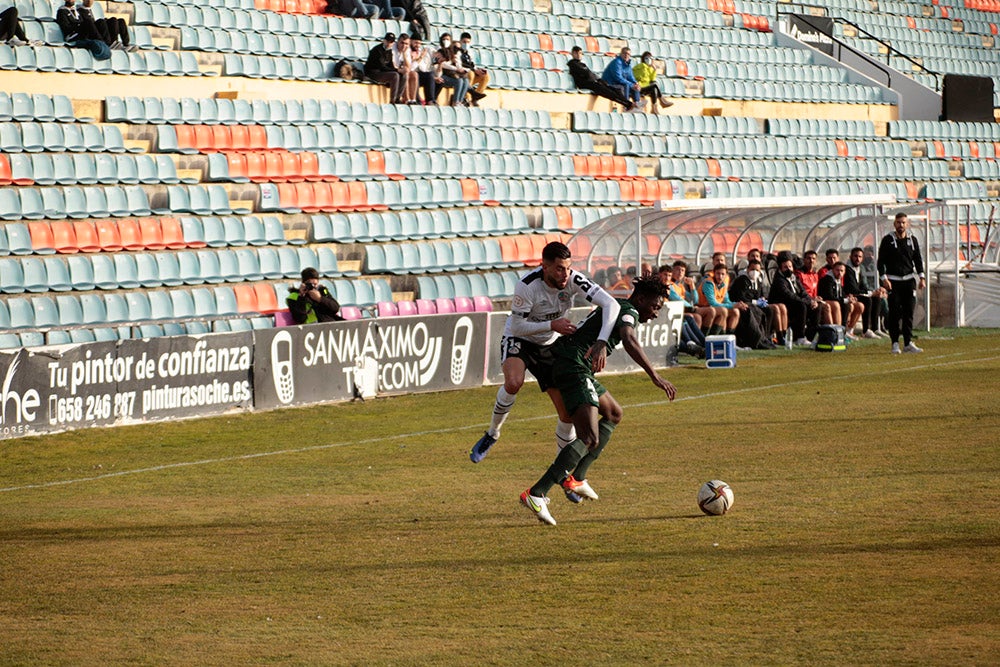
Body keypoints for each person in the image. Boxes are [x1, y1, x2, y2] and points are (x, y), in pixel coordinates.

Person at [520, 276, 677, 526]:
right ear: (642, 299)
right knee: (589, 437)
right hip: (573, 365)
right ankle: (537, 493)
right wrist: (655, 376)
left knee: (614, 413)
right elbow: (629, 338)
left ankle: (577, 478)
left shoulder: (618, 306)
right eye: (656, 306)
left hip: (573, 363)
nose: (656, 313)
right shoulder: (629, 311)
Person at [470, 242, 620, 471]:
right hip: (521, 339)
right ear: (545, 267)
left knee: (566, 413)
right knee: (513, 382)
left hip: (549, 344)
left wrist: (601, 342)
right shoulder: (527, 285)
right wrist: (552, 323)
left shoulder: (573, 280)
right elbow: (518, 326)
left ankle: (562, 470)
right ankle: (492, 433)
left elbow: (611, 304)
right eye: (560, 268)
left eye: (568, 268)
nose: (565, 274)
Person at [877, 212, 925, 354]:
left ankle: (908, 343)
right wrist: (884, 278)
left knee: (909, 312)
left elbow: (917, 260)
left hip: (909, 281)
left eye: (903, 222)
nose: (901, 225)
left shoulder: (912, 239)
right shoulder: (888, 240)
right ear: (894, 224)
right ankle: (895, 343)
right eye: (898, 222)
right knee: (895, 313)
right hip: (893, 282)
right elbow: (881, 261)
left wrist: (922, 277)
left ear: (907, 223)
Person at [768, 253, 822, 345]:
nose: (788, 269)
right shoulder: (779, 280)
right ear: (780, 268)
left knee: (817, 307)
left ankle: (809, 337)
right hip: (786, 304)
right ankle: (799, 337)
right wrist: (806, 302)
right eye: (785, 267)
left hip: (796, 303)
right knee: (802, 306)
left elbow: (803, 292)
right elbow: (789, 296)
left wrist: (811, 301)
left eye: (790, 266)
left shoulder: (794, 278)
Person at [730, 258, 782, 348]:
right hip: (741, 303)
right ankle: (756, 338)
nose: (754, 272)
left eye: (757, 270)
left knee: (769, 310)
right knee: (755, 311)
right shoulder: (742, 280)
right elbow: (741, 297)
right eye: (752, 269)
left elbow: (760, 295)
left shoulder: (758, 281)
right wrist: (756, 302)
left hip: (753, 303)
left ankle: (766, 336)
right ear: (748, 269)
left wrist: (762, 299)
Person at [566, 46, 634, 111]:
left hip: (591, 82)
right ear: (572, 54)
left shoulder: (582, 64)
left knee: (613, 89)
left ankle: (628, 103)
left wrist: (599, 80)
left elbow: (590, 73)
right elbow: (587, 74)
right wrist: (595, 79)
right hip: (585, 84)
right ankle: (627, 104)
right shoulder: (572, 64)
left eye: (580, 53)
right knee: (607, 92)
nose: (578, 55)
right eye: (576, 53)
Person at [844, 246, 885, 339]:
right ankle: (865, 330)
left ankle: (875, 328)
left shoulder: (860, 268)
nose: (857, 259)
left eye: (860, 257)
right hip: (850, 295)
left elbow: (863, 285)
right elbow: (852, 288)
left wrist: (874, 291)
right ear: (850, 256)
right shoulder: (848, 269)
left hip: (858, 293)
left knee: (877, 298)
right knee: (868, 300)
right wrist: (870, 293)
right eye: (855, 256)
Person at [817, 261, 864, 335]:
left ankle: (849, 331)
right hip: (826, 301)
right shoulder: (827, 279)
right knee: (837, 304)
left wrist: (849, 297)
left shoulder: (838, 280)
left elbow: (840, 294)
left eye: (842, 271)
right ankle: (838, 332)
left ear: (844, 272)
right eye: (837, 270)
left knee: (859, 306)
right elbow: (829, 296)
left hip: (836, 301)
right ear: (832, 270)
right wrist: (845, 300)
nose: (839, 273)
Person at [699, 263, 743, 337]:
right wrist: (733, 305)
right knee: (723, 311)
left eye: (723, 274)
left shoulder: (723, 284)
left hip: (716, 308)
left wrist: (738, 304)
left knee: (736, 311)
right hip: (703, 307)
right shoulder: (708, 283)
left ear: (726, 275)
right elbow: (713, 303)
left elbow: (726, 301)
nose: (720, 276)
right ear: (714, 273)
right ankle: (712, 338)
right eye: (718, 274)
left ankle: (728, 338)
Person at [364, 33, 405, 104]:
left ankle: (398, 98)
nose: (389, 43)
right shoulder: (377, 50)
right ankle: (392, 100)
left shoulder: (389, 51)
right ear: (384, 41)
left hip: (381, 72)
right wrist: (397, 70)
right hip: (373, 73)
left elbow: (390, 65)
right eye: (388, 41)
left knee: (404, 75)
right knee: (395, 75)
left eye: (391, 42)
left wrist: (399, 70)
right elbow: (381, 66)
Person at [434, 34, 470, 106]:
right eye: (444, 39)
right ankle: (455, 101)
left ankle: (460, 100)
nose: (445, 41)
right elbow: (443, 63)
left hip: (449, 74)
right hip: (441, 74)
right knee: (459, 81)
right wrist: (456, 68)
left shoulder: (451, 52)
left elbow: (458, 63)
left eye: (447, 39)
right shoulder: (438, 50)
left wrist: (461, 68)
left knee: (465, 80)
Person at [458, 32, 489, 106]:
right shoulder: (457, 52)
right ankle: (465, 98)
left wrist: (478, 70)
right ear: (460, 41)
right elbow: (459, 64)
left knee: (485, 76)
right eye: (464, 42)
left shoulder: (469, 53)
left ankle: (475, 97)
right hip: (460, 75)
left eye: (468, 42)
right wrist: (473, 70)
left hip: (469, 75)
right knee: (470, 74)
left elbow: (472, 64)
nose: (466, 44)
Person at [409, 36, 438, 105]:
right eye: (415, 43)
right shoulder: (408, 51)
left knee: (430, 75)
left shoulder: (420, 51)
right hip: (410, 74)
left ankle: (430, 100)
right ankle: (417, 101)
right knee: (415, 75)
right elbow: (411, 68)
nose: (418, 45)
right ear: (410, 41)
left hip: (419, 73)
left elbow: (423, 68)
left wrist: (420, 57)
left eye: (419, 43)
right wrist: (420, 57)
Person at [391, 32, 418, 104]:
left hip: (401, 70)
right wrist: (401, 70)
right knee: (405, 73)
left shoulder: (407, 49)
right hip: (393, 71)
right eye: (402, 43)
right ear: (398, 42)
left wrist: (404, 54)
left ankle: (413, 99)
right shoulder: (392, 48)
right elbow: (392, 65)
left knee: (414, 74)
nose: (404, 45)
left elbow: (409, 67)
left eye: (406, 44)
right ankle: (407, 99)